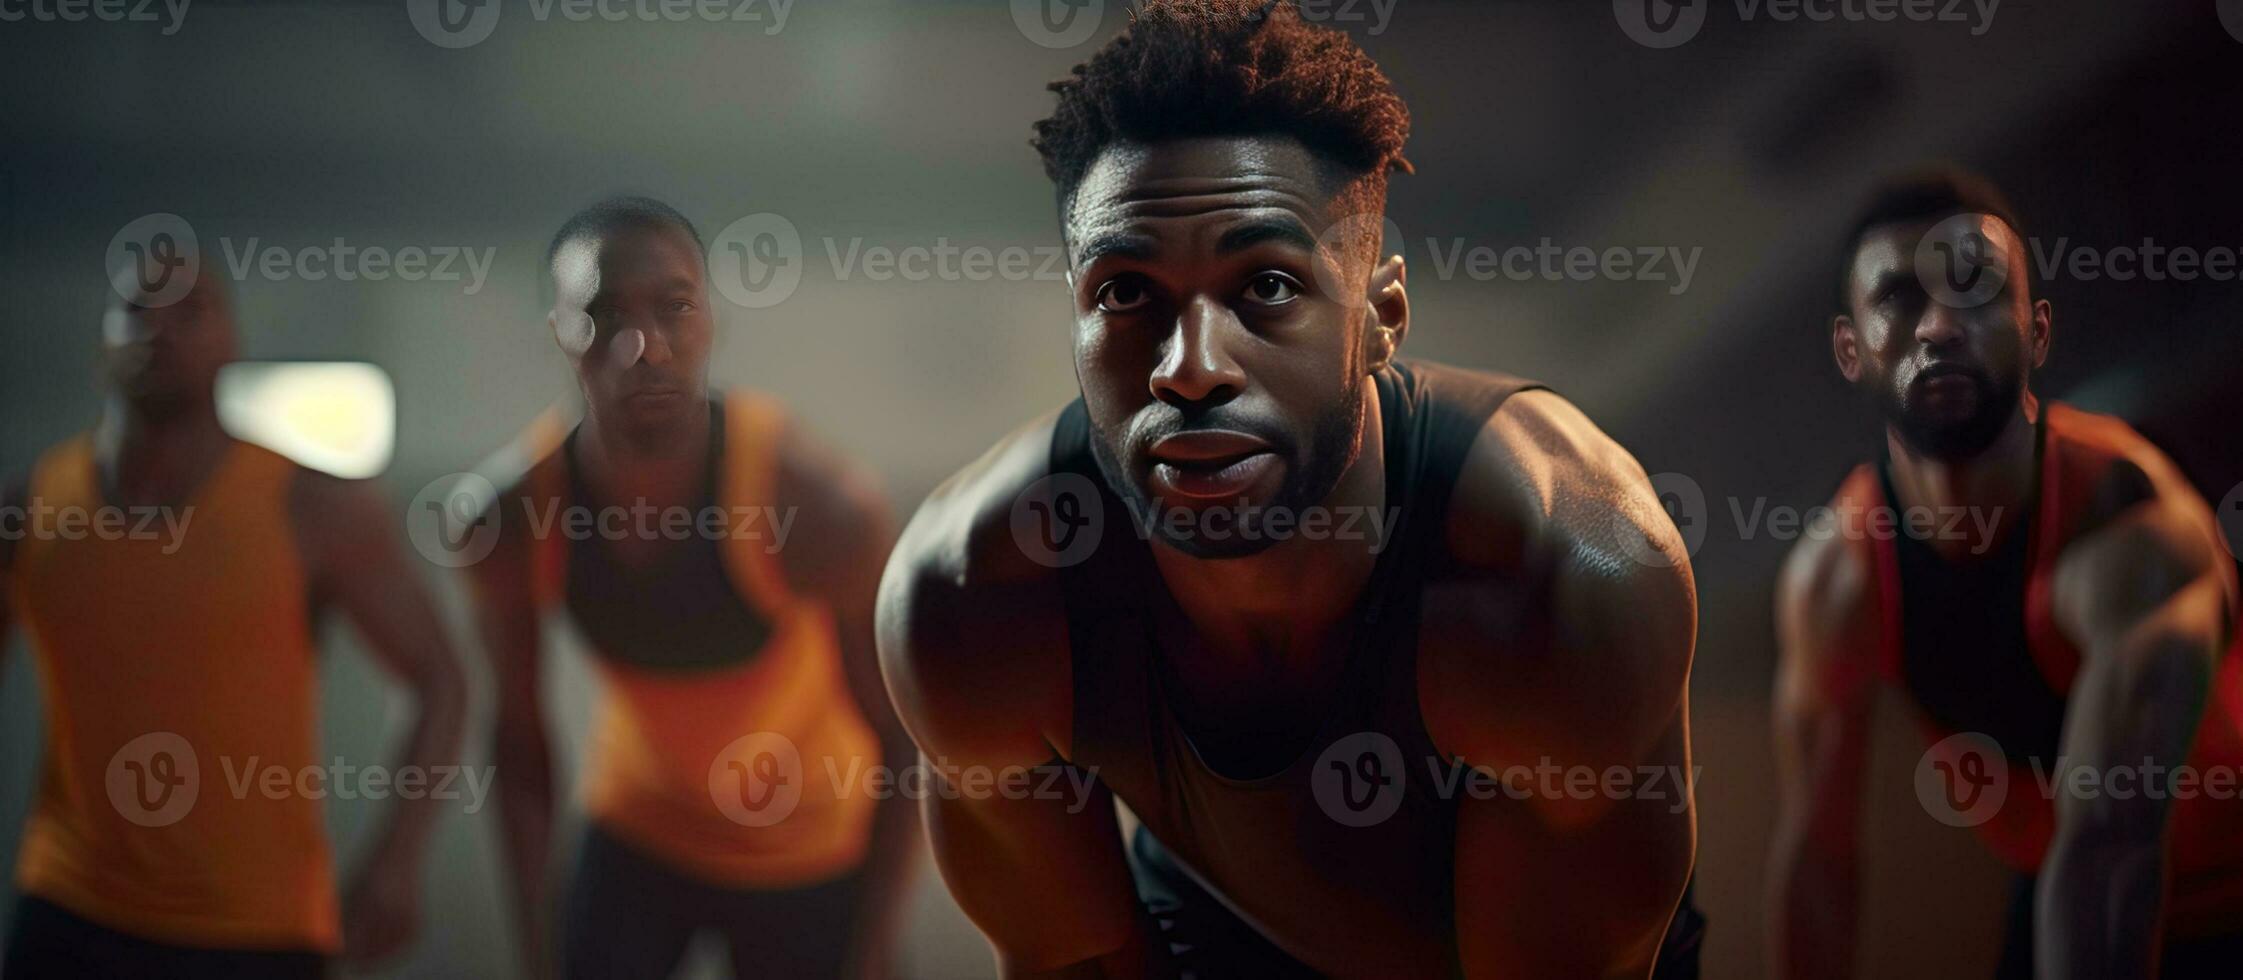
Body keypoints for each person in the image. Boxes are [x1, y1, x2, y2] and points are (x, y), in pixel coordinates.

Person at [876, 3, 1704, 976]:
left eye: (1265, 284)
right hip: (1205, 927)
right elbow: (1073, 955)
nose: (1189, 368)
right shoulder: (974, 595)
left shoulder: (1564, 577)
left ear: (1381, 315)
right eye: (1125, 292)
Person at [1768, 169, 2243, 978]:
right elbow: (1818, 860)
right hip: (2057, 879)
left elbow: (2111, 848)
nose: (1940, 327)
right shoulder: (1836, 580)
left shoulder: (2130, 530)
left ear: (2038, 331)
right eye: (1897, 299)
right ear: (1850, 349)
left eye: (1975, 290)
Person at [467, 196, 915, 979]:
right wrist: (535, 954)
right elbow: (517, 738)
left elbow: (906, 743)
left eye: (674, 308)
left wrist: (871, 949)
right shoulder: (508, 516)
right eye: (604, 316)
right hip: (643, 828)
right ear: (561, 337)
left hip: (806, 843)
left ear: (711, 322)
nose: (644, 347)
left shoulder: (819, 507)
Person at [0, 268, 467, 977]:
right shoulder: (30, 503)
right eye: (137, 307)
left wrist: (397, 864)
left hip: (256, 929)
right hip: (71, 904)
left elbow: (440, 679)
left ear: (230, 339)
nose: (161, 327)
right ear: (102, 336)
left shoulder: (310, 502)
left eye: (192, 309)